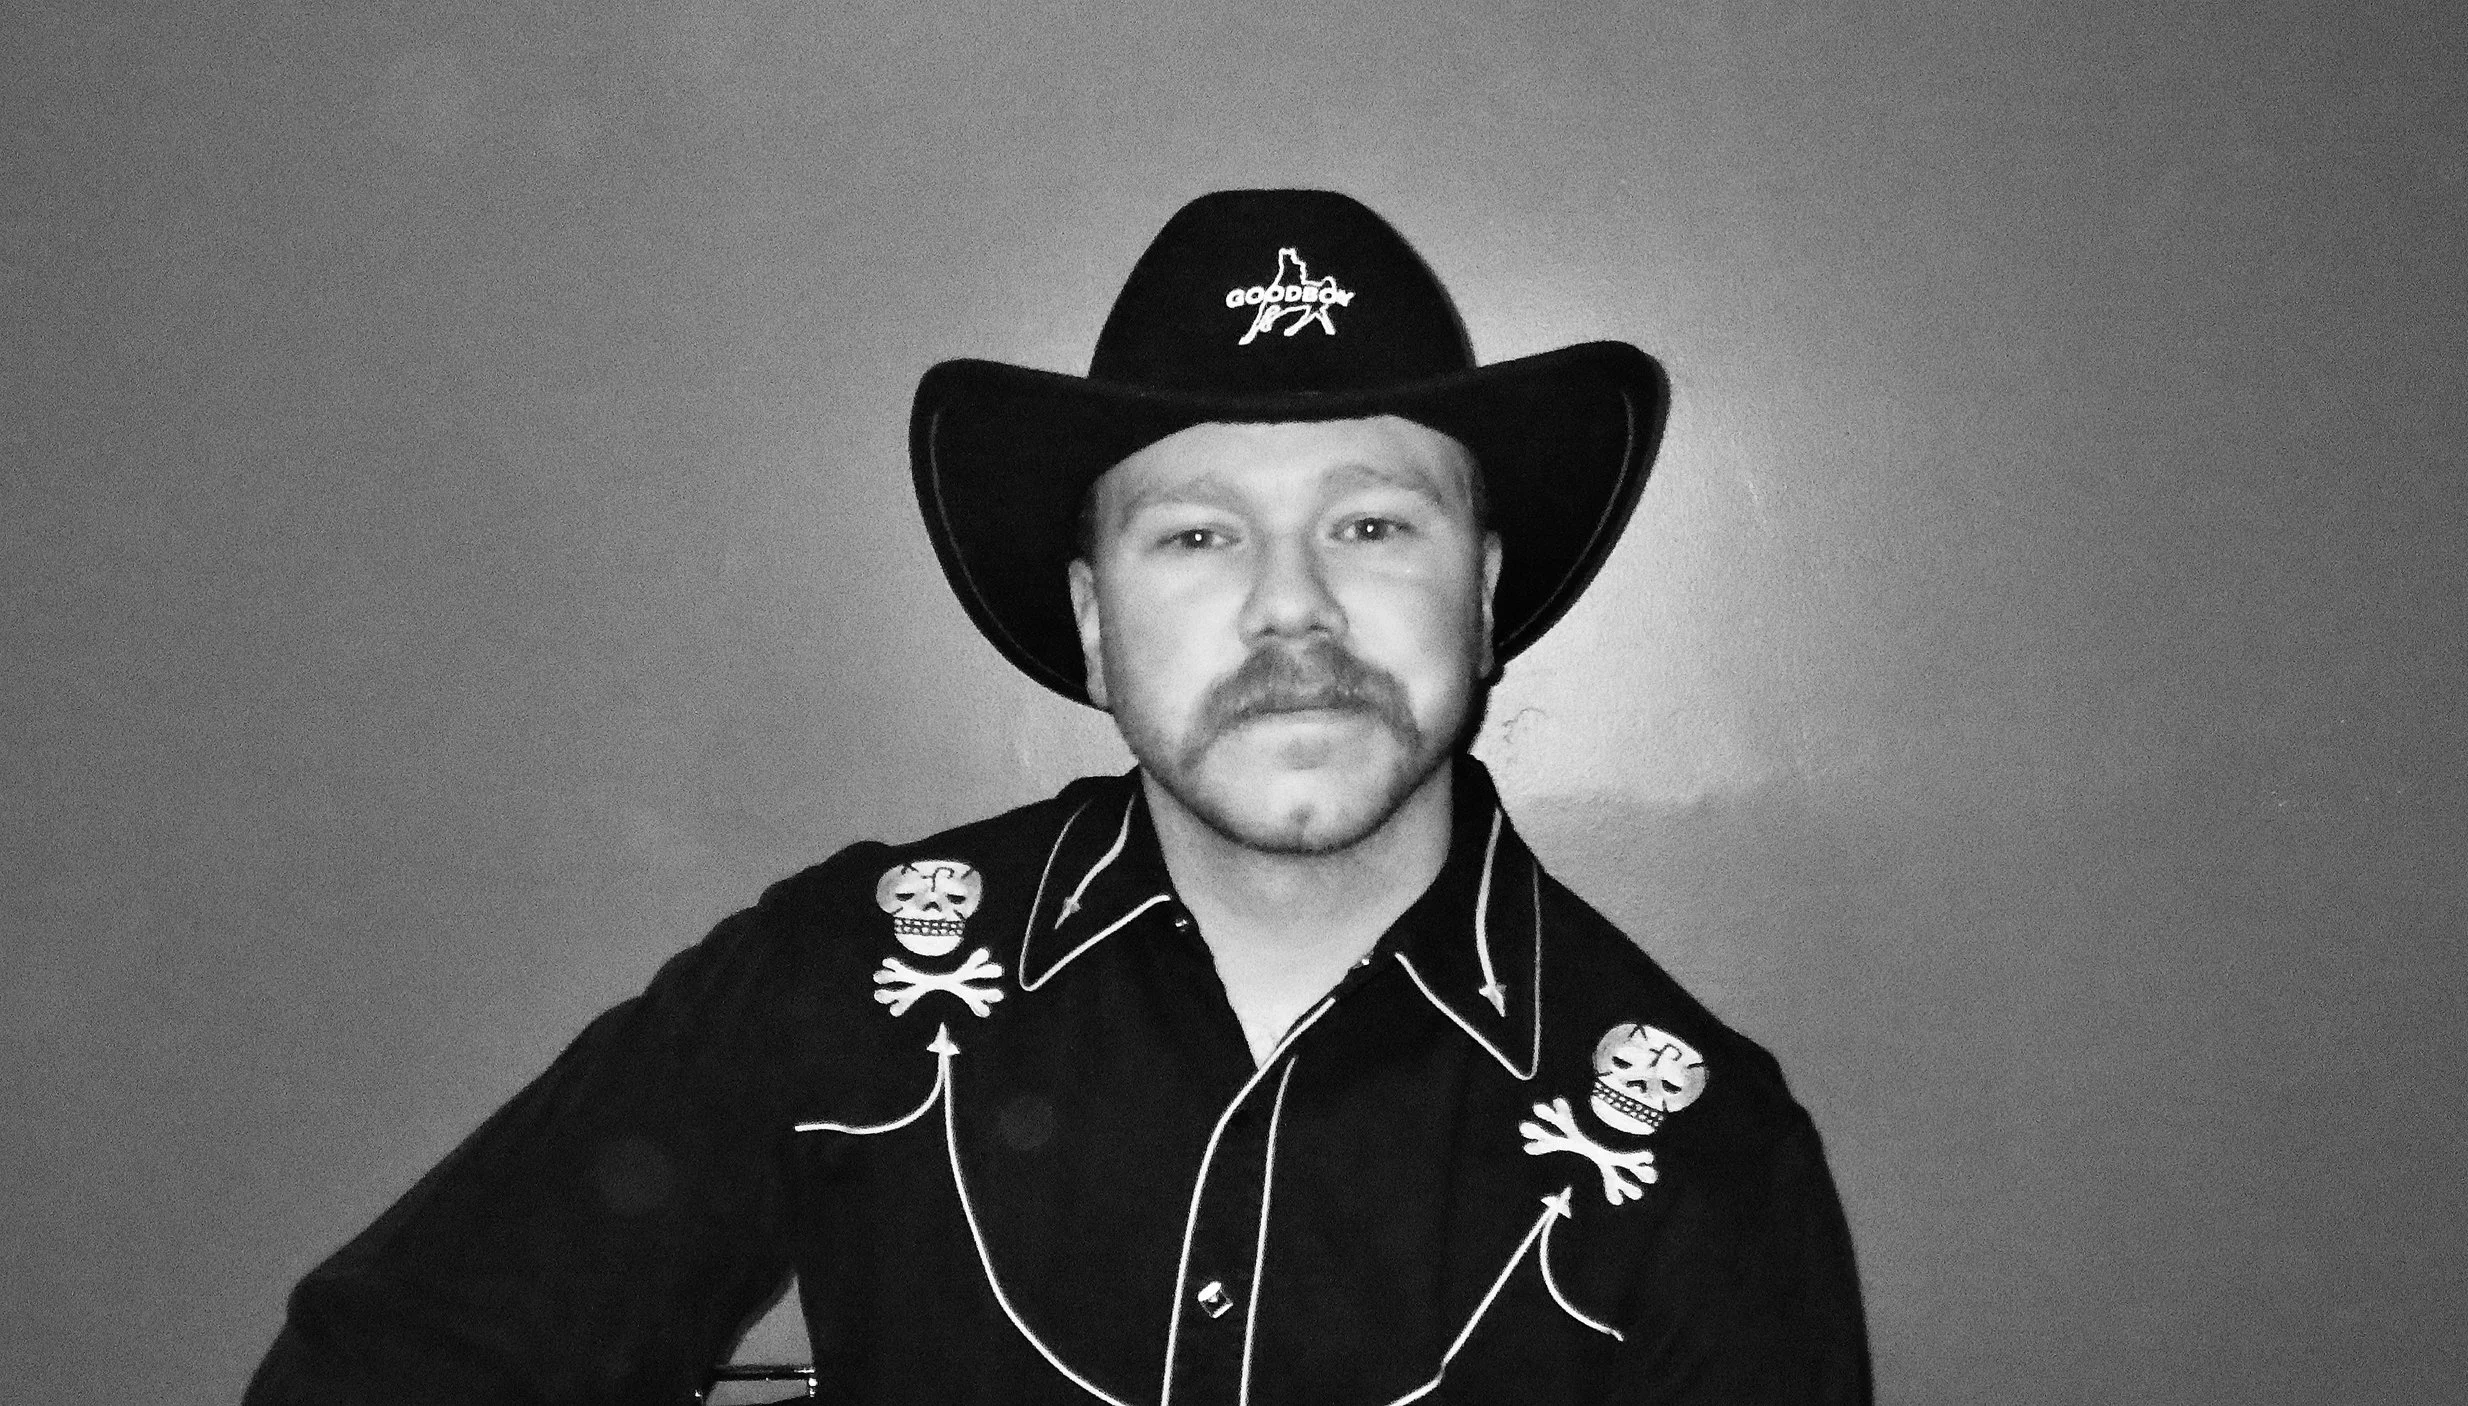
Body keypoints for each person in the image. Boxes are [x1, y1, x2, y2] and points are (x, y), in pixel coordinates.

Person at [246, 189, 1870, 1406]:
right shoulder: (851, 984)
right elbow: (394, 1361)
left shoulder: (1699, 1153)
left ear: (1486, 591)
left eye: (1374, 525)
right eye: (1195, 533)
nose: (1291, 609)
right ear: (1095, 622)